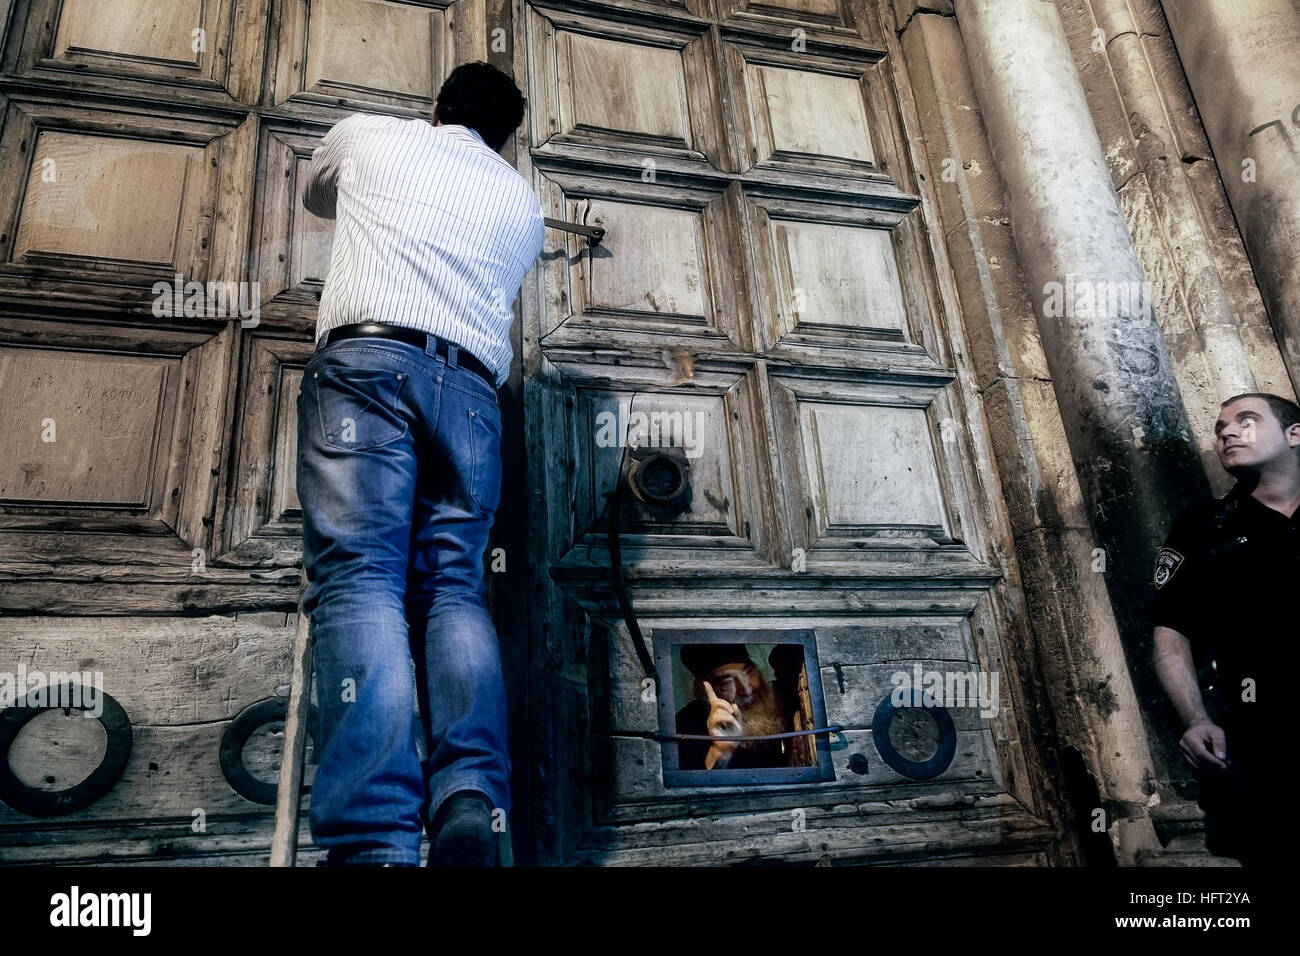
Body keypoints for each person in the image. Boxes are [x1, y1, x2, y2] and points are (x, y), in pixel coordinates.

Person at [296, 62, 544, 867]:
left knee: (362, 578)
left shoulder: (373, 135)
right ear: (508, 140)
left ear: (434, 107)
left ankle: (374, 838)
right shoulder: (524, 204)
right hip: (472, 392)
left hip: (370, 362)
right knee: (455, 589)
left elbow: (318, 196)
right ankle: (470, 795)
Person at [1151, 392, 1299, 868]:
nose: (1228, 432)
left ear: (1295, 435)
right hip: (1267, 745)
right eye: (1220, 428)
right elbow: (1171, 635)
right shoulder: (1202, 528)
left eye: (1247, 421)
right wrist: (1196, 719)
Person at [674, 645, 796, 770]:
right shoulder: (686, 726)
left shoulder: (784, 694)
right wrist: (720, 752)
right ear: (704, 691)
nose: (747, 690)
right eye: (726, 683)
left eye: (749, 672)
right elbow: (693, 786)